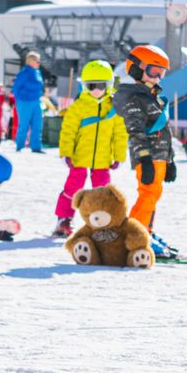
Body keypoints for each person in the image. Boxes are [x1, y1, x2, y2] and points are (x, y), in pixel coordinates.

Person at [53, 58, 127, 239]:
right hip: (80, 157)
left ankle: (102, 222)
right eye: (91, 86)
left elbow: (120, 134)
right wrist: (66, 152)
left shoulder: (114, 109)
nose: (96, 91)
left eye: (101, 86)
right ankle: (63, 219)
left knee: (102, 191)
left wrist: (119, 156)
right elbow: (68, 131)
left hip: (103, 159)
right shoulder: (78, 107)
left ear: (109, 85)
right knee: (73, 188)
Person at [112, 44, 175, 236]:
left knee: (153, 195)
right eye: (153, 71)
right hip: (149, 156)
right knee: (148, 194)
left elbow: (165, 130)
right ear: (136, 69)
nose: (157, 78)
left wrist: (170, 160)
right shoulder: (134, 99)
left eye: (161, 73)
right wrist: (145, 159)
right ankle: (135, 234)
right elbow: (136, 132)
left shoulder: (153, 97)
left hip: (160, 156)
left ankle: (145, 230)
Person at [9, 51, 46, 152]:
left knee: (38, 124)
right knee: (24, 124)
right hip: (25, 102)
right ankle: (19, 145)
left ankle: (36, 147)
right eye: (37, 61)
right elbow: (16, 88)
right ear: (30, 61)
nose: (39, 63)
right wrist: (20, 99)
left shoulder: (38, 73)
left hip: (36, 101)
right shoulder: (24, 73)